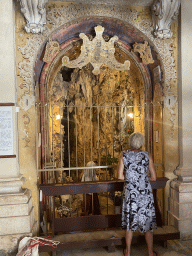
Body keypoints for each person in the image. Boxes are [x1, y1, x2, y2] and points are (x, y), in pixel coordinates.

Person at [117, 132, 157, 256]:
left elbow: (119, 176)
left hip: (131, 194)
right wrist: (143, 178)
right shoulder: (147, 155)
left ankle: (128, 252)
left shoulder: (123, 155)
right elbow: (154, 177)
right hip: (145, 193)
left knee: (129, 223)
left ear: (130, 142)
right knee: (147, 223)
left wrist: (131, 179)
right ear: (142, 143)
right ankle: (150, 252)